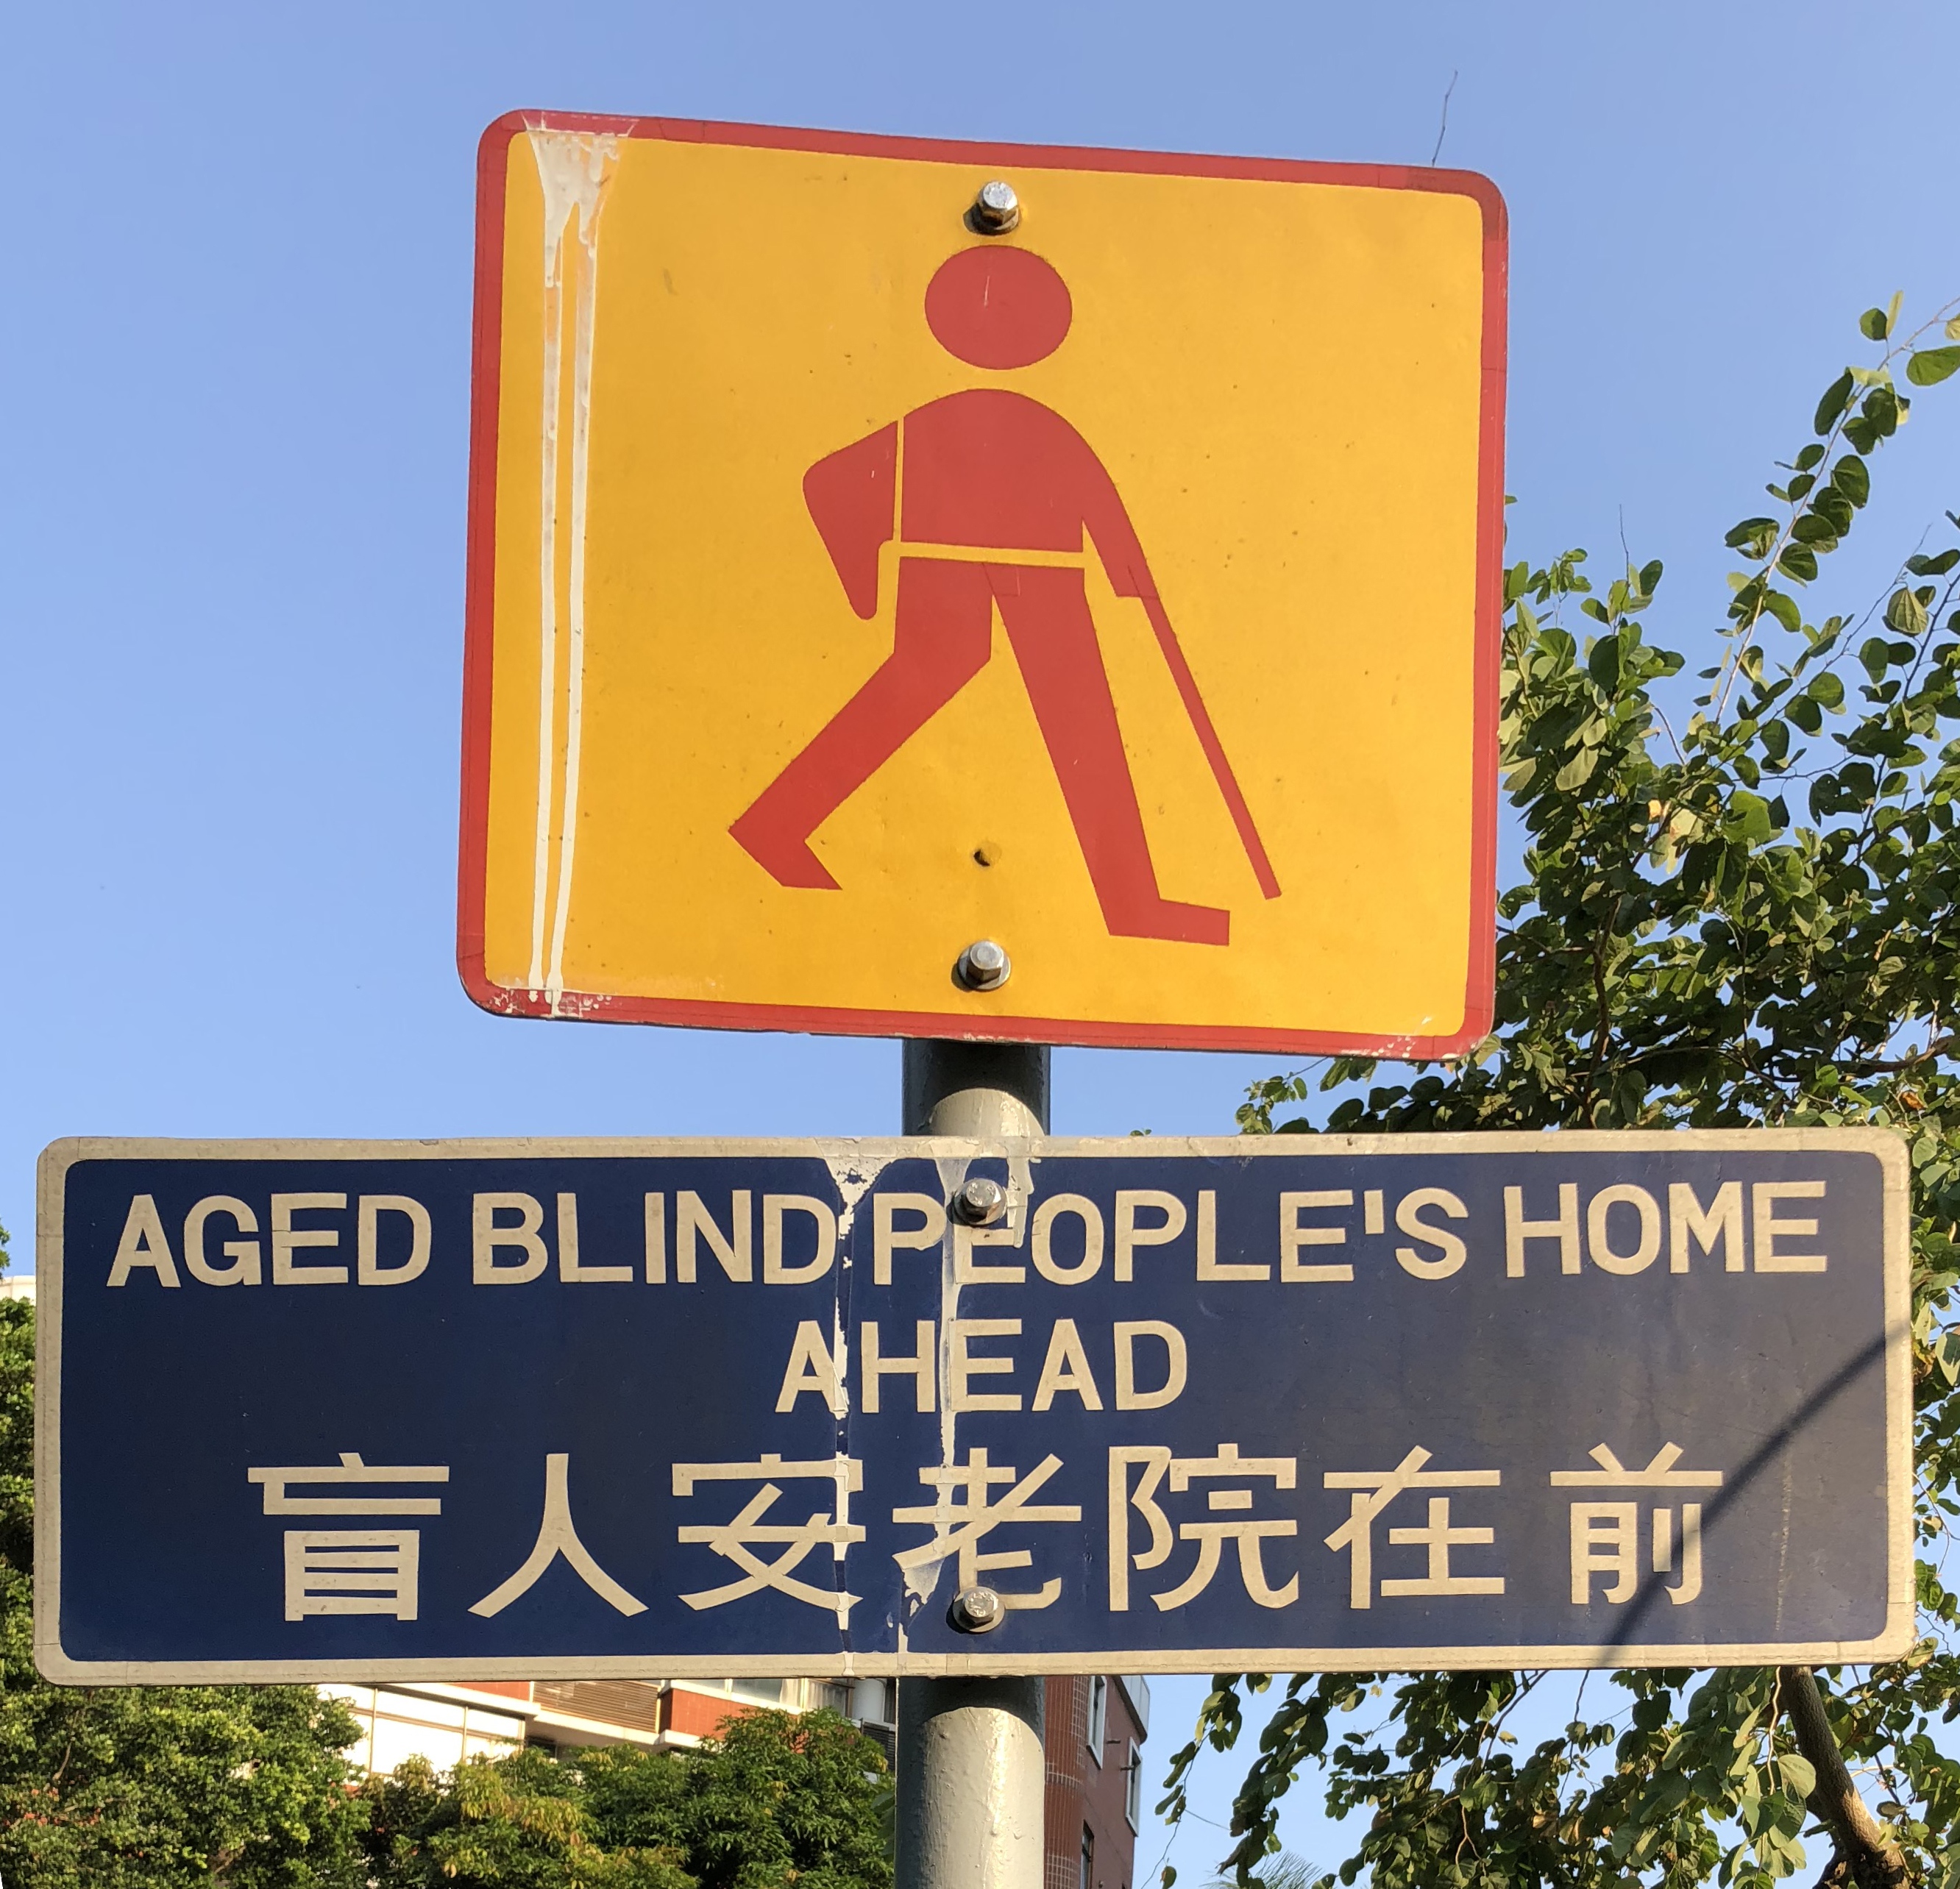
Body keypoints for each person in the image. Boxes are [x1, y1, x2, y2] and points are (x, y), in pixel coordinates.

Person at [730, 243, 1277, 945]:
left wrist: (1130, 569)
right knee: (1025, 711)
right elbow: (833, 484)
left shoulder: (981, 421)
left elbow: (836, 482)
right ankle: (776, 825)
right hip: (982, 572)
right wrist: (860, 574)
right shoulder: (995, 424)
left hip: (1030, 574)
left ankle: (1131, 903)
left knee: (1071, 722)